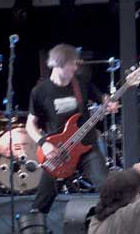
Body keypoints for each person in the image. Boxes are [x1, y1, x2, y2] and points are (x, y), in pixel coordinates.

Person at [26, 43, 119, 214]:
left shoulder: (81, 82)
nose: (75, 67)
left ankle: (113, 227)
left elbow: (102, 98)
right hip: (59, 152)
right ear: (58, 65)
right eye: (72, 64)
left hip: (86, 147)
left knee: (108, 188)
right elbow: (30, 124)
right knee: (41, 204)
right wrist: (44, 143)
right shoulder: (40, 91)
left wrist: (109, 103)